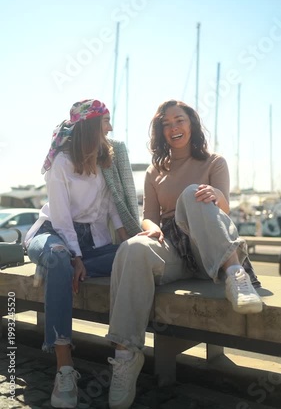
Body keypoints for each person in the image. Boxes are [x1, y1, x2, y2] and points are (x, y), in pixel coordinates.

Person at [105, 99, 263, 409]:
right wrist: (152, 229)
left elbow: (225, 207)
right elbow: (149, 215)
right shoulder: (155, 171)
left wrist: (213, 194)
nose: (174, 127)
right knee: (132, 248)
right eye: (166, 123)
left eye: (180, 120)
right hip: (173, 249)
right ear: (161, 131)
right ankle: (125, 356)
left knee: (193, 192)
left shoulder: (215, 162)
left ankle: (235, 275)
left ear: (191, 124)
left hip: (210, 250)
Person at [24, 99, 140, 409]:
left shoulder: (106, 160)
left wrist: (132, 241)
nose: (111, 128)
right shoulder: (61, 162)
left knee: (132, 258)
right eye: (106, 122)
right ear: (91, 125)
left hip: (92, 244)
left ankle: (55, 267)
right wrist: (74, 257)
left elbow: (114, 206)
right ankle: (64, 367)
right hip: (53, 233)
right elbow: (61, 219)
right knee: (60, 257)